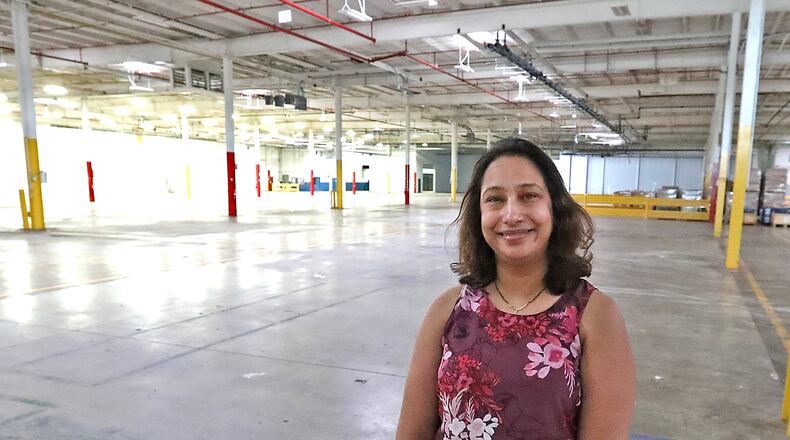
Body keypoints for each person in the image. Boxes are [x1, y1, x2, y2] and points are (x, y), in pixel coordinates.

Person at [396, 138, 635, 440]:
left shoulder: (596, 316)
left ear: (554, 208)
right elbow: (412, 432)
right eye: (495, 199)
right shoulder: (448, 310)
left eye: (528, 196)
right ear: (479, 214)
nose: (511, 214)